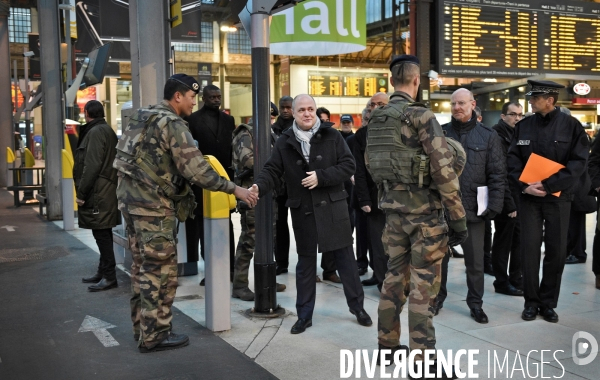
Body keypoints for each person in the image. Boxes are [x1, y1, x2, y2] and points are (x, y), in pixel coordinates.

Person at [113, 74, 257, 353]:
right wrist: (235, 189)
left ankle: (142, 329)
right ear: (177, 96)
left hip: (130, 204)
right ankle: (156, 335)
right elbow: (197, 170)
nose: (194, 102)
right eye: (191, 97)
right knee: (160, 271)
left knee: (141, 268)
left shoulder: (142, 116)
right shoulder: (173, 124)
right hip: (153, 208)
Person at [371, 55, 466, 376]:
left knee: (393, 280)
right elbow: (444, 170)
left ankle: (387, 348)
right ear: (415, 81)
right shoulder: (422, 116)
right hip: (424, 217)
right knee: (424, 287)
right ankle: (422, 359)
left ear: (391, 82)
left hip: (392, 215)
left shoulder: (378, 118)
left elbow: (374, 168)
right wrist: (458, 219)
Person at [251, 94, 372, 334]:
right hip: (304, 211)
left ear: (315, 111)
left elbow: (349, 166)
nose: (307, 114)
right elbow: (272, 170)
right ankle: (304, 315)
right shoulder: (285, 141)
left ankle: (358, 307)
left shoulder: (333, 135)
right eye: (302, 110)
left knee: (345, 262)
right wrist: (258, 187)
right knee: (305, 265)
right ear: (294, 113)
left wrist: (322, 176)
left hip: (334, 208)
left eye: (311, 109)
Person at [507, 80, 588, 323]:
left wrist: (550, 185)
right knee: (529, 250)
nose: (530, 101)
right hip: (529, 198)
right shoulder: (524, 126)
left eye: (535, 97)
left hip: (558, 199)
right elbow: (512, 160)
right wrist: (525, 186)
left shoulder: (572, 127)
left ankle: (548, 303)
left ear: (550, 100)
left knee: (556, 251)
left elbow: (578, 163)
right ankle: (531, 302)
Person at [441, 88, 505, 324]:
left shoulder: (488, 136)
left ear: (473, 104)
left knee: (475, 262)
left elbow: (497, 173)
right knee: (440, 259)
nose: (457, 107)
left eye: (461, 103)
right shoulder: (441, 133)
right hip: (443, 209)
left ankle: (476, 303)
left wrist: (495, 205)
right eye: (453, 104)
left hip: (473, 210)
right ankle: (438, 299)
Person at [230, 105, 286, 301]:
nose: (271, 119)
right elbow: (248, 160)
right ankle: (240, 284)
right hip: (251, 193)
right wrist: (276, 165)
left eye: (273, 116)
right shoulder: (245, 133)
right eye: (268, 115)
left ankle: (267, 279)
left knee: (270, 238)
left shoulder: (272, 134)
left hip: (270, 193)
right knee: (249, 240)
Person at [185, 84, 237, 285]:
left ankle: (230, 269)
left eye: (219, 96)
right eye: (212, 97)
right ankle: (211, 270)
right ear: (203, 99)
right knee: (203, 227)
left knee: (227, 226)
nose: (216, 100)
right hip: (200, 182)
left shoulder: (228, 120)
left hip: (225, 180)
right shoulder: (192, 120)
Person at [75, 100, 120, 292]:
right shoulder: (106, 130)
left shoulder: (94, 132)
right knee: (103, 232)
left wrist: (81, 192)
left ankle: (109, 276)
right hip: (106, 189)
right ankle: (103, 272)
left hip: (98, 191)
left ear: (87, 113)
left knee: (101, 233)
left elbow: (91, 166)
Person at [352, 92, 389, 289]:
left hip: (398, 197)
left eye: (381, 104)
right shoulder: (362, 135)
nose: (376, 107)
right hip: (374, 199)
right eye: (372, 104)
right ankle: (381, 279)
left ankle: (393, 280)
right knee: (377, 242)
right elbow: (358, 170)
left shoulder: (399, 129)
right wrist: (364, 200)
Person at [490, 102, 523, 296]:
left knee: (518, 239)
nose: (517, 118)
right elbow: (501, 172)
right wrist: (509, 203)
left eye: (520, 115)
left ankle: (516, 279)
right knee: (503, 241)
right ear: (503, 116)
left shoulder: (517, 134)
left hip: (518, 195)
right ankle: (502, 281)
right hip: (504, 197)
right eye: (512, 114)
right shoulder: (497, 135)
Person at [272, 96, 294, 276]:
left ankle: (306, 263)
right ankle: (281, 262)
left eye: (288, 107)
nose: (285, 110)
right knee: (279, 225)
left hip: (297, 183)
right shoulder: (272, 129)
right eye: (283, 107)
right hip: (278, 184)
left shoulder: (299, 127)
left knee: (302, 226)